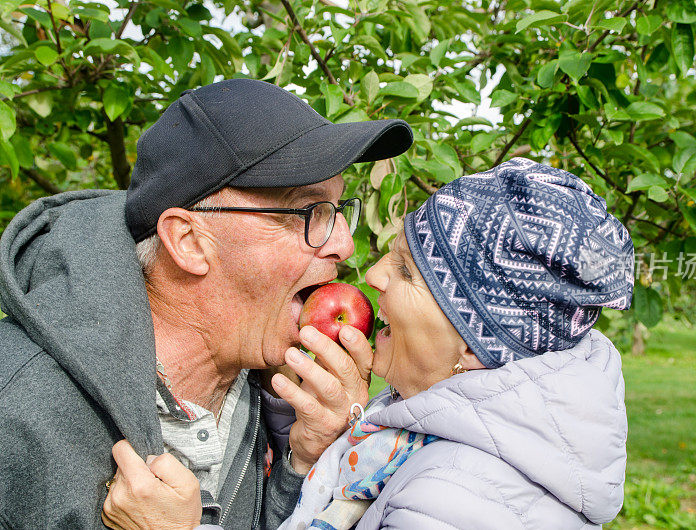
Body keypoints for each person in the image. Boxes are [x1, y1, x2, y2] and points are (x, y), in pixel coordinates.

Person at [104, 157, 635, 528]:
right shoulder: (419, 432)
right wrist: (312, 452)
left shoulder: (454, 501)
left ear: (474, 347)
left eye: (406, 272)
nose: (373, 273)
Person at [0, 78, 413, 529]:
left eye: (337, 210)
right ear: (189, 241)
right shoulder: (18, 413)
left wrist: (303, 463)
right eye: (308, 211)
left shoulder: (258, 389)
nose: (345, 244)